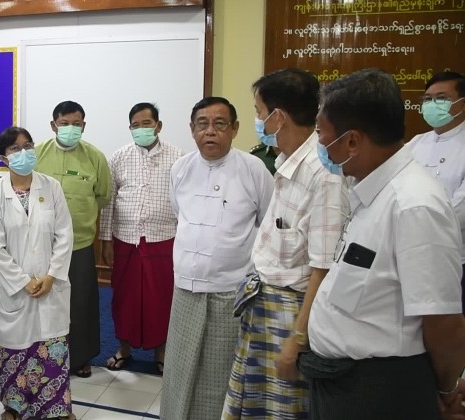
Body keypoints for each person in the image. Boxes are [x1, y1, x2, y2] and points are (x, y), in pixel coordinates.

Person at [301, 68, 465, 420]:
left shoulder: (414, 205)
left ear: (352, 142)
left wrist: (444, 392)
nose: (319, 145)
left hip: (379, 392)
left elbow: (444, 322)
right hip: (342, 384)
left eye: (321, 133)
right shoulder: (370, 191)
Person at [222, 68, 349, 419]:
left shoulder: (323, 175)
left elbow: (323, 269)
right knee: (251, 406)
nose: (258, 120)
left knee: (281, 412)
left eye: (259, 112)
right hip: (264, 306)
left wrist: (298, 339)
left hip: (291, 317)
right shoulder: (285, 162)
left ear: (278, 117)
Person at [161, 97, 273, 419]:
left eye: (220, 124)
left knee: (220, 372)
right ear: (192, 129)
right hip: (186, 289)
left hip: (230, 293)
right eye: (202, 124)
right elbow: (179, 214)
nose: (210, 131)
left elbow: (267, 225)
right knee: (179, 369)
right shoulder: (180, 169)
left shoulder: (253, 169)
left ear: (234, 129)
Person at [0, 126, 75, 420]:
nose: (23, 152)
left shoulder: (52, 187)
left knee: (51, 345)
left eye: (27, 145)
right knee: (15, 348)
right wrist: (23, 282)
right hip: (12, 289)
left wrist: (51, 275)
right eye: (15, 149)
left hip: (50, 284)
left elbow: (65, 234)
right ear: (3, 158)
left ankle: (56, 408)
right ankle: (15, 407)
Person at [99, 102, 184, 374]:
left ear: (158, 126)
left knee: (162, 298)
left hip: (164, 239)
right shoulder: (119, 157)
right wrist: (105, 240)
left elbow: (184, 201)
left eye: (146, 123)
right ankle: (124, 348)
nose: (141, 129)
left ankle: (162, 352)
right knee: (124, 297)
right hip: (125, 239)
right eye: (135, 125)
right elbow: (109, 202)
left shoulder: (178, 157)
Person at [34, 100, 112, 378]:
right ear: (53, 125)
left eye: (76, 124)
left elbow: (103, 196)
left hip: (79, 243)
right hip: (41, 243)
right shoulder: (37, 153)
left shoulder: (95, 157)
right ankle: (43, 355)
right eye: (64, 123)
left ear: (84, 126)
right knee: (43, 300)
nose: (70, 128)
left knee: (80, 303)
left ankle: (80, 358)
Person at [406, 71, 465, 310]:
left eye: (441, 98)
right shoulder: (416, 143)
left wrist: (414, 223)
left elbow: (459, 210)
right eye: (428, 99)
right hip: (411, 254)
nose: (432, 104)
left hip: (454, 257)